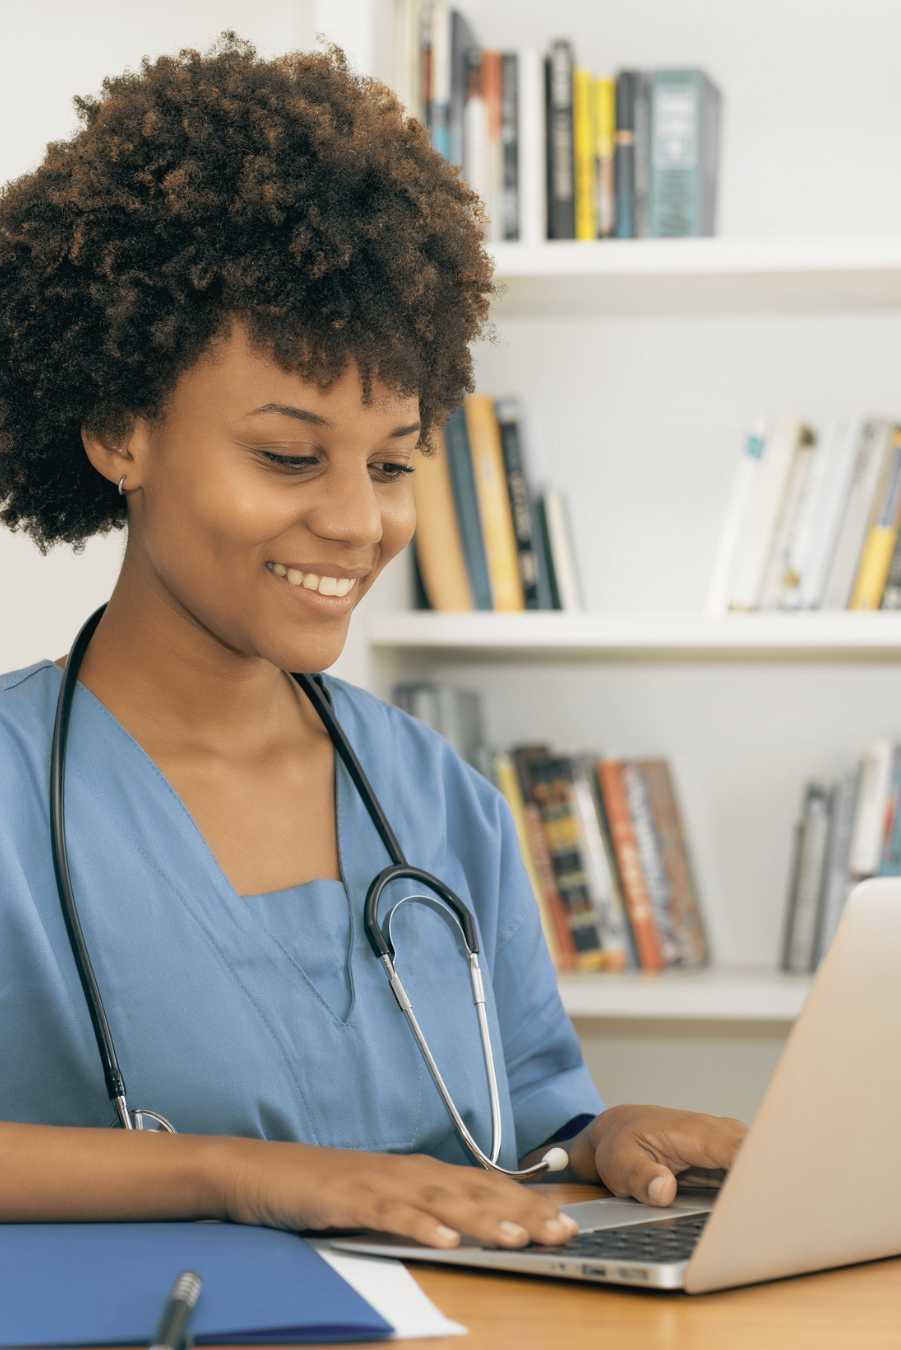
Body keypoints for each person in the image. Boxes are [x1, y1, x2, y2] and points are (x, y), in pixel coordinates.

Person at [0, 35, 745, 1251]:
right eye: (288, 455)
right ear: (116, 430)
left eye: (393, 462)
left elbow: (506, 1137)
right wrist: (238, 1174)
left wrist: (595, 1145)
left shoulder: (437, 804)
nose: (359, 522)